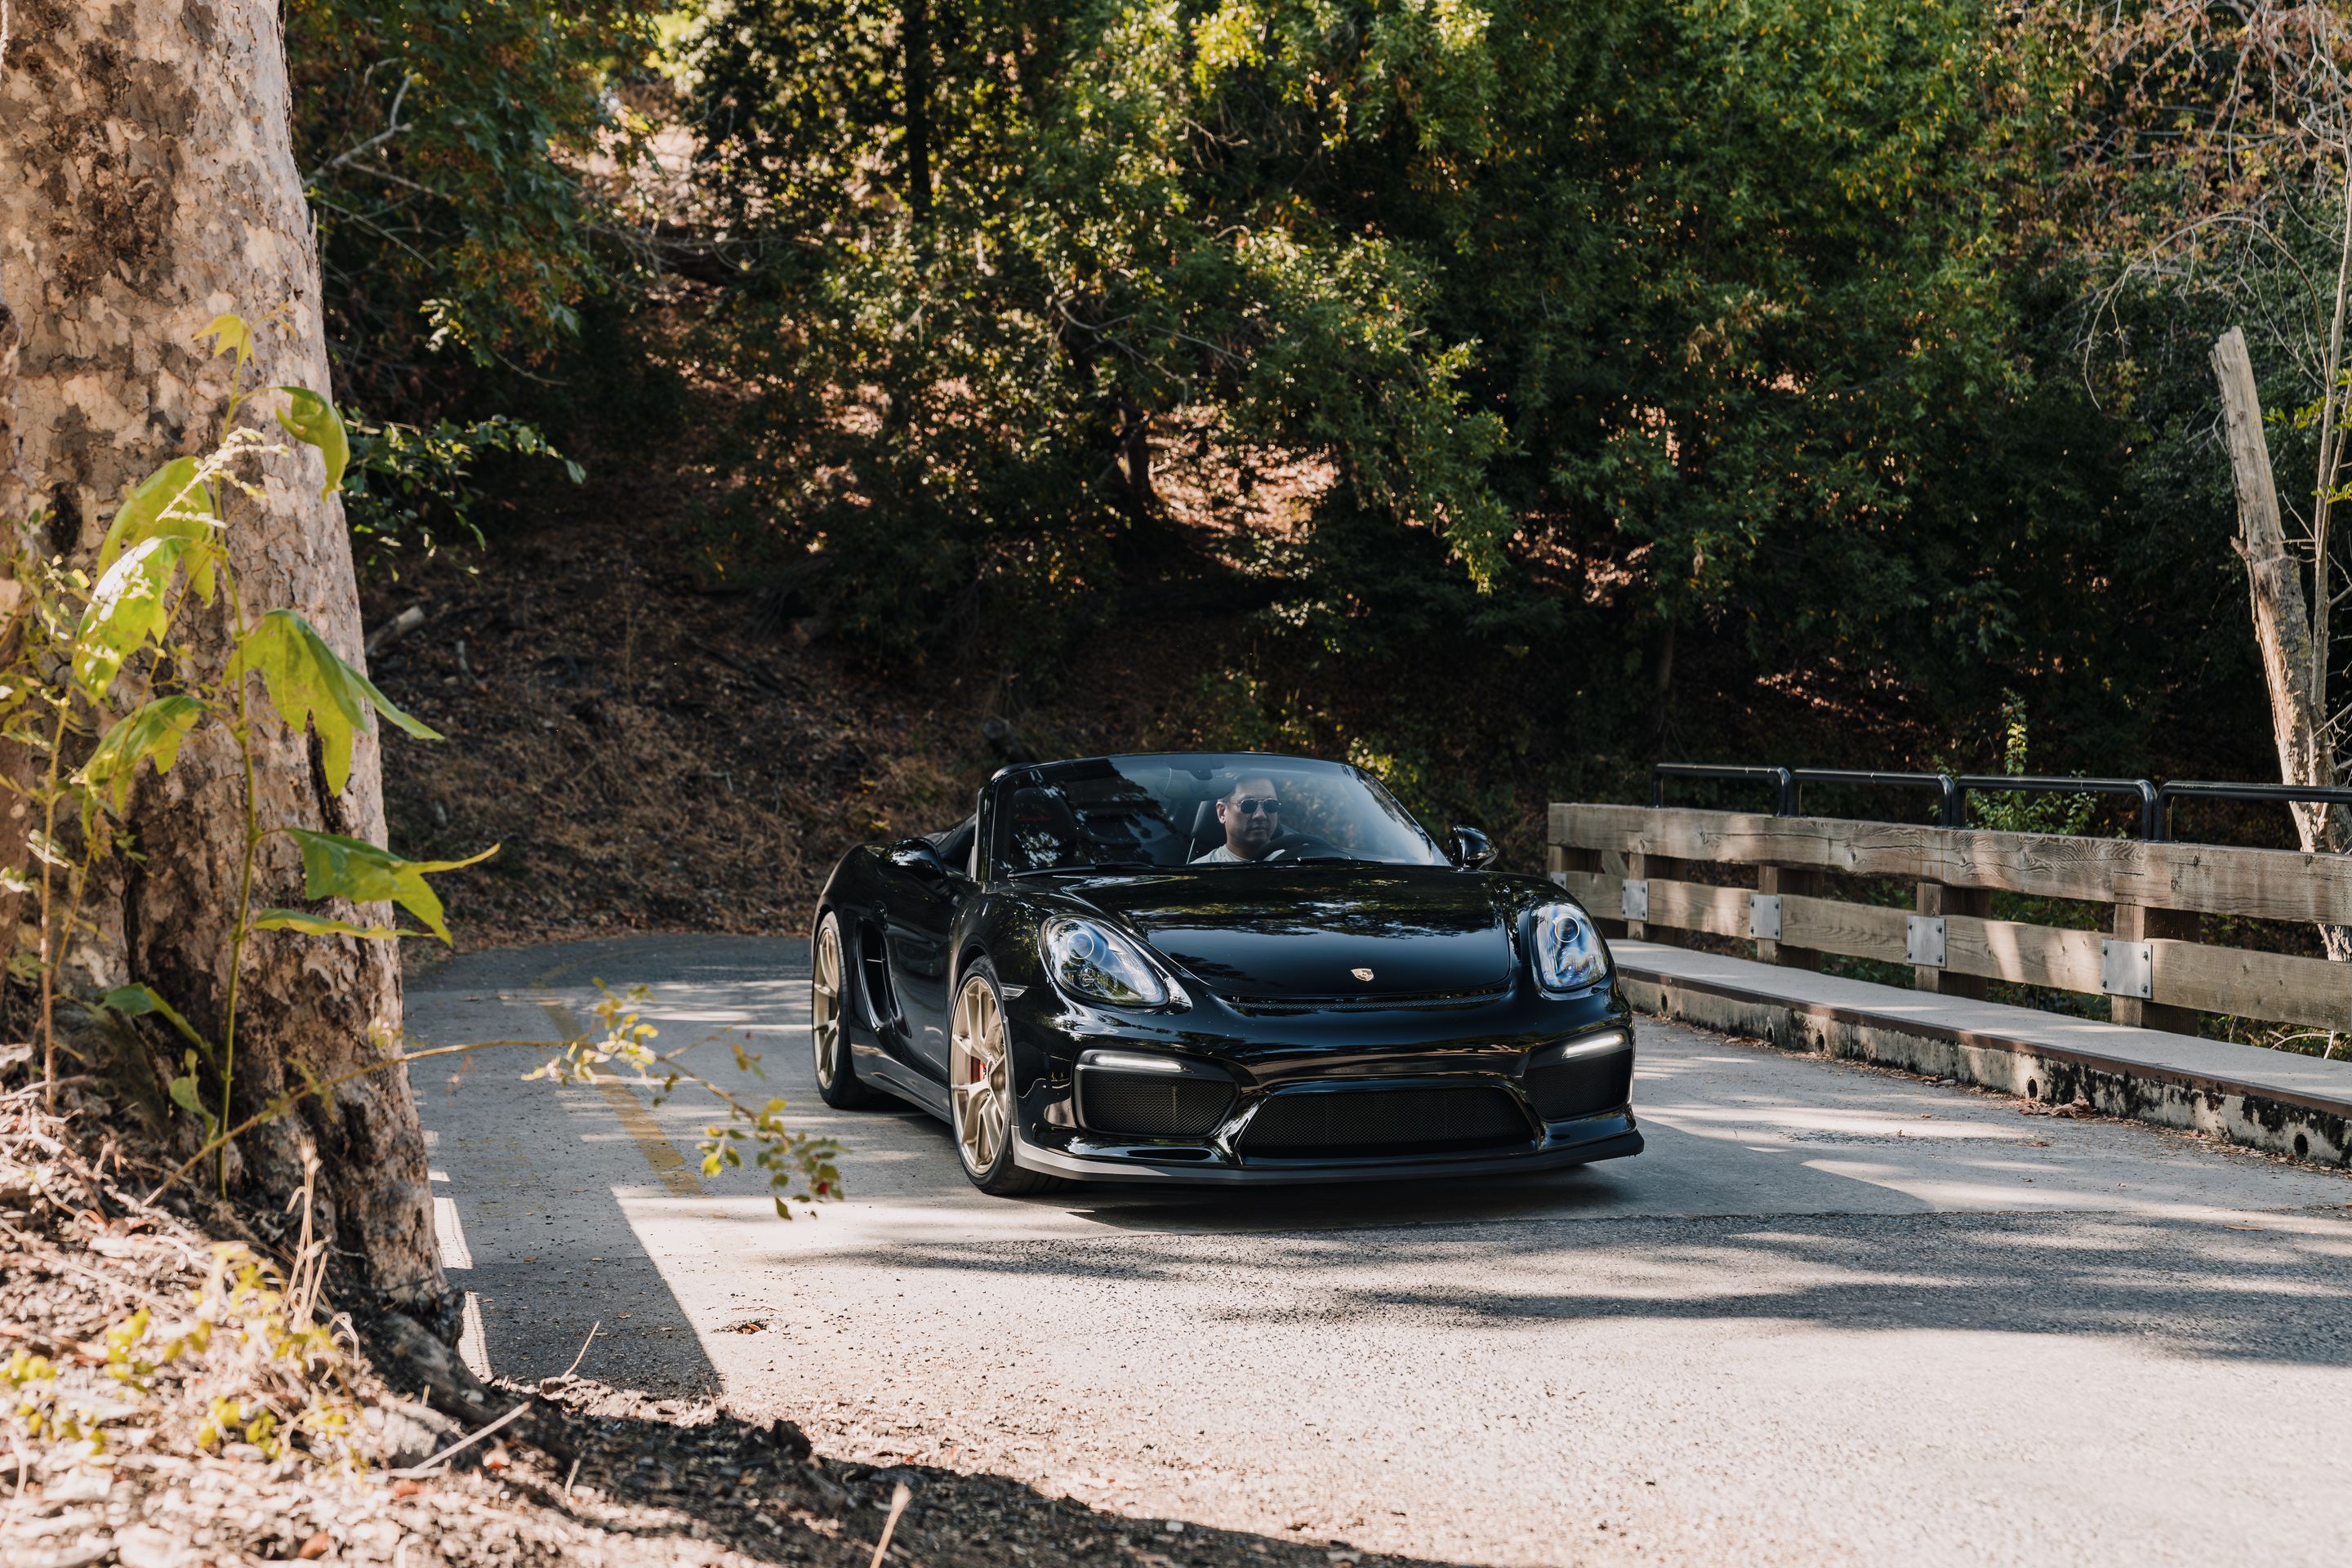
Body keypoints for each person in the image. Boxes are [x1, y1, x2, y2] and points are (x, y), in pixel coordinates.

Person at [1192, 775, 1283, 863]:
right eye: (1248, 805)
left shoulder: (1293, 863)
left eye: (1270, 804)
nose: (1260, 815)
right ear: (1222, 812)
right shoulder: (1200, 872)